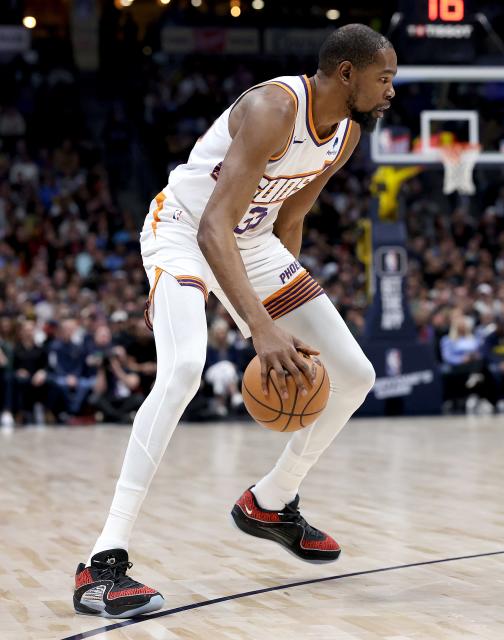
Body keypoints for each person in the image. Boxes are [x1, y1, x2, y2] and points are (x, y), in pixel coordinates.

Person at [74, 24, 394, 618]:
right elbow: (211, 227)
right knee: (184, 369)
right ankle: (102, 561)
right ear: (346, 74)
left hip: (253, 243)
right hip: (185, 233)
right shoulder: (274, 108)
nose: (391, 89)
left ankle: (271, 501)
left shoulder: (345, 133)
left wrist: (283, 311)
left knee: (353, 373)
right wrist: (260, 329)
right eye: (385, 77)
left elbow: (289, 218)